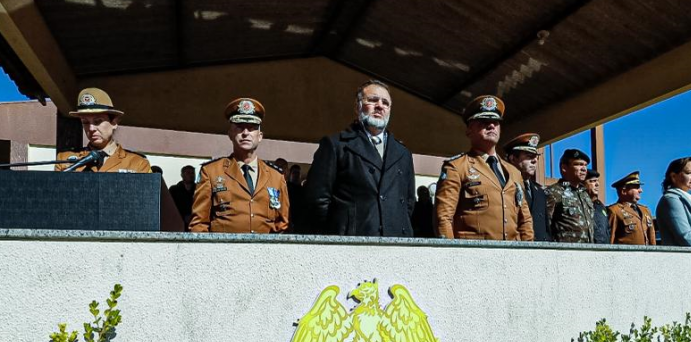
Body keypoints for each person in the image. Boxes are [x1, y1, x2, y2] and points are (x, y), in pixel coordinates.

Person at [305, 80, 415, 236]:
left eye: (385, 103)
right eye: (372, 100)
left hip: (396, 243)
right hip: (352, 243)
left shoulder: (403, 153)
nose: (379, 106)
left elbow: (408, 203)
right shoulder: (336, 145)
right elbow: (317, 201)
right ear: (357, 107)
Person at [435, 95, 533, 241]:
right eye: (483, 122)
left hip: (512, 255)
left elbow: (524, 220)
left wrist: (528, 253)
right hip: (474, 256)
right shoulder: (456, 167)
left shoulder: (514, 172)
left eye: (496, 122)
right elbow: (443, 217)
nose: (491, 126)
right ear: (469, 130)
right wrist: (451, 256)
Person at [189, 98, 290, 234]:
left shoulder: (276, 177)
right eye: (240, 127)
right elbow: (199, 225)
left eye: (252, 128)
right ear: (230, 134)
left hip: (264, 252)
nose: (246, 133)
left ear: (260, 136)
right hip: (224, 252)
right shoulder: (211, 172)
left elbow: (282, 225)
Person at [55, 88, 152, 174]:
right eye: (85, 122)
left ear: (114, 123)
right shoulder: (65, 160)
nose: (91, 128)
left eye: (98, 121)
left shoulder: (137, 163)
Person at [655, 156, 691, 247]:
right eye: (690, 173)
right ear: (674, 176)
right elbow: (684, 235)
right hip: (686, 258)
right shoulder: (671, 199)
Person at [503, 133, 551, 241]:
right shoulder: (504, 187)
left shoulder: (539, 191)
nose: (534, 161)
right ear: (513, 158)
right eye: (529, 157)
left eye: (535, 157)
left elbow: (545, 229)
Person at [546, 149, 595, 242]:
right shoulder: (553, 192)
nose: (584, 169)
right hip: (565, 252)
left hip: (588, 252)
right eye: (578, 164)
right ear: (564, 168)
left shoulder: (585, 194)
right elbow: (545, 226)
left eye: (585, 165)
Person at [605, 172, 656, 246]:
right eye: (636, 187)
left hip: (646, 256)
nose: (641, 190)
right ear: (624, 191)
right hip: (626, 256)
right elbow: (610, 241)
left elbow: (652, 239)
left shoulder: (645, 211)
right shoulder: (614, 211)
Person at [584, 169, 609, 244]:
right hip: (586, 249)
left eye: (597, 181)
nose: (597, 184)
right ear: (582, 184)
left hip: (603, 250)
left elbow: (608, 230)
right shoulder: (579, 203)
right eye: (592, 181)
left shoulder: (600, 206)